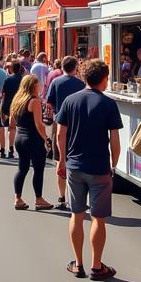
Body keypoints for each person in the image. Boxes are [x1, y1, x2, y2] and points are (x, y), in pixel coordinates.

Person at [55, 60, 122, 281]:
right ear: (103, 79)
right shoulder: (108, 104)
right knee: (98, 218)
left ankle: (78, 263)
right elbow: (114, 139)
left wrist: (62, 160)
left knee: (76, 215)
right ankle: (96, 266)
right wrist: (114, 164)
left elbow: (60, 134)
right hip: (99, 167)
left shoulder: (70, 101)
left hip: (74, 166)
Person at [45, 56, 86, 210]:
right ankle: (78, 197)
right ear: (75, 68)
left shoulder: (56, 82)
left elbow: (49, 101)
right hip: (78, 125)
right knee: (78, 161)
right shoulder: (81, 84)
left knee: (59, 160)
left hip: (59, 123)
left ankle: (62, 197)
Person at [9, 75, 52, 211]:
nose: (39, 87)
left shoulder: (17, 100)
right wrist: (46, 138)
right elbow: (39, 124)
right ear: (33, 86)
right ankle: (39, 199)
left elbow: (12, 122)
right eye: (38, 84)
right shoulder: (34, 101)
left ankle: (18, 198)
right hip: (33, 138)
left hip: (19, 137)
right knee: (38, 169)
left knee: (22, 168)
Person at [0, 60, 23, 153]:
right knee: (21, 127)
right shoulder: (23, 79)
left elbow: (3, 94)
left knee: (11, 127)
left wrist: (2, 107)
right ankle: (19, 146)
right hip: (21, 104)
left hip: (9, 104)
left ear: (12, 68)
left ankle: (11, 146)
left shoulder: (8, 79)